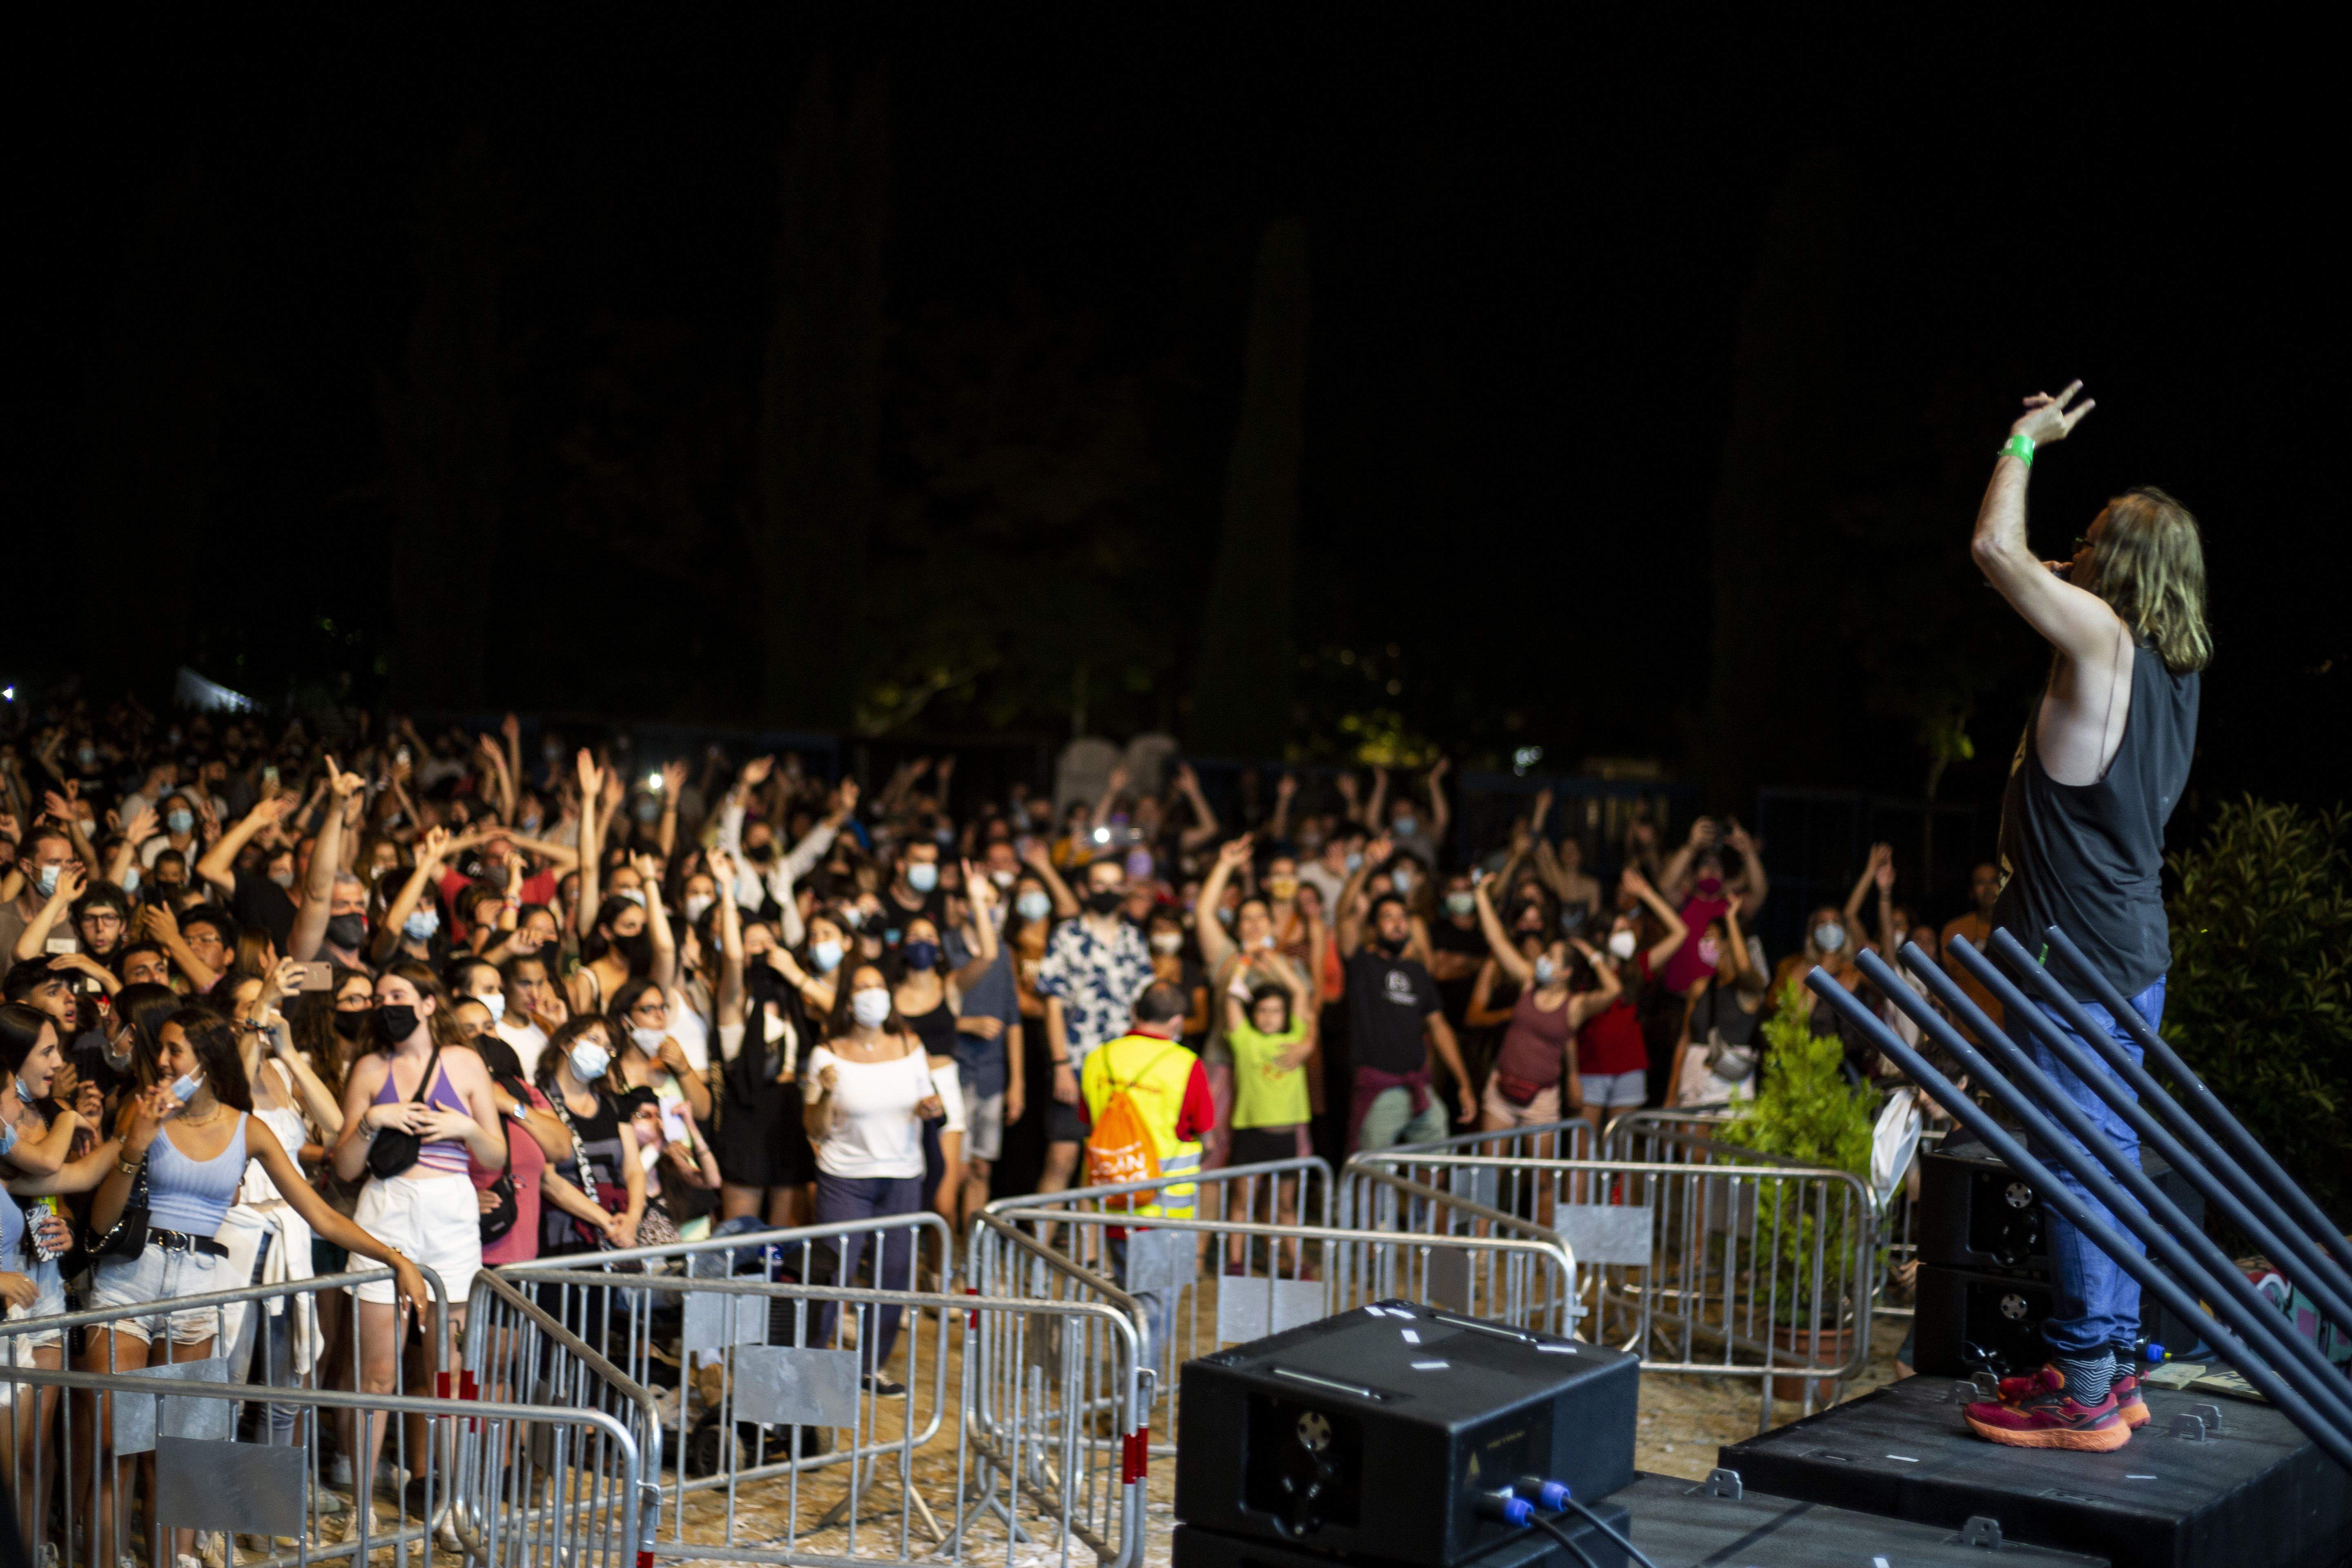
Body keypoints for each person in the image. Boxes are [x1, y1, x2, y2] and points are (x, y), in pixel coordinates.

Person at [1958, 382, 2205, 1453]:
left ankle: (2089, 1387)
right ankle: (2109, 1359)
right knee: (2102, 1147)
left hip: (2075, 958)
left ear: (2117, 570)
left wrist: (2024, 439)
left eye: (2091, 541)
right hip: (2129, 944)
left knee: (2074, 1154)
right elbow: (2038, 568)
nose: (2071, 551)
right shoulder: (2169, 660)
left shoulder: (2103, 641)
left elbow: (1995, 553)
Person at [85, 1009, 426, 1566]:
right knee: (118, 1448)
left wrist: (394, 1257)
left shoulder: (252, 1125)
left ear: (208, 1058)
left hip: (221, 1285)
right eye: (163, 1050)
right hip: (142, 1284)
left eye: (177, 1050)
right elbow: (101, 1223)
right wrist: (134, 1146)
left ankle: (226, 1542)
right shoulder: (145, 1110)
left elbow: (322, 1212)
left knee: (217, 1437)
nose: (164, 1061)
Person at [329, 961, 506, 1501]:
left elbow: (495, 1156)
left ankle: (454, 1505)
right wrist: (371, 1121)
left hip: (452, 1215)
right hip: (386, 1211)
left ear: (429, 1003)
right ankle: (362, 1507)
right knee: (375, 1375)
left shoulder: (464, 1063)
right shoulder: (367, 1069)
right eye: (380, 997)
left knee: (448, 1374)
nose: (387, 1005)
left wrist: (467, 1127)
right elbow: (345, 1168)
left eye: (399, 994)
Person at [801, 965, 944, 1396]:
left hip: (902, 1175)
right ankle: (814, 1369)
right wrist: (825, 1093)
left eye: (879, 984)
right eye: (862, 987)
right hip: (846, 1178)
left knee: (894, 1273)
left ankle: (870, 1368)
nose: (872, 994)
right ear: (848, 1000)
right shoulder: (827, 1053)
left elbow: (926, 1099)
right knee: (832, 1275)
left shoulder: (909, 1044)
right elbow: (813, 1126)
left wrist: (929, 1109)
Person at [1079, 981, 1214, 1368]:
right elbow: (1207, 1133)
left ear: (1136, 1013)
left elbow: (1089, 1119)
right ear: (1176, 1021)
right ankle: (1134, 1408)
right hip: (1162, 1215)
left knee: (1128, 1300)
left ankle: (1129, 1390)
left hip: (1113, 1206)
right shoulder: (1186, 1064)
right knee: (1153, 1311)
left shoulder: (1098, 1058)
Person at [1334, 836, 1475, 1152]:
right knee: (1370, 1176)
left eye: (1403, 918)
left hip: (1420, 1089)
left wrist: (1464, 1083)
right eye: (1388, 918)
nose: (1398, 925)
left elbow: (1439, 1028)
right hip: (1380, 1090)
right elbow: (1344, 915)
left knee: (1435, 1168)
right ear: (1372, 929)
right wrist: (1367, 868)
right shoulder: (1362, 964)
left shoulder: (1418, 972)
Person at [1032, 856, 1154, 1197]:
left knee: (1101, 1167)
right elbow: (1052, 1005)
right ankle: (1037, 1248)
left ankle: (1089, 1253)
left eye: (1116, 884)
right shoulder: (1066, 935)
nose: (1108, 891)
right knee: (1062, 1159)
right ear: (1085, 889)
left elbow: (1140, 1009)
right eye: (1100, 884)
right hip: (1074, 1065)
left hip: (1121, 1072)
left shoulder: (1134, 939)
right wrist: (1060, 1066)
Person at [1469, 875, 1618, 1131]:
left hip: (1541, 1100)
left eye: (1551, 957)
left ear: (1566, 973)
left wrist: (1591, 954)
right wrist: (1481, 895)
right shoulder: (1529, 982)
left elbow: (1613, 990)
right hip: (1500, 1091)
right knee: (1489, 1169)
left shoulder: (1575, 1005)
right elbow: (1498, 941)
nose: (1543, 959)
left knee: (1540, 1173)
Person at [1573, 869, 1687, 1142]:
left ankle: (1616, 1189)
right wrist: (1593, 959)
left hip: (1629, 1069)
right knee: (1584, 1150)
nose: (1628, 935)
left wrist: (1647, 894)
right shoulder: (1583, 974)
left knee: (1621, 1150)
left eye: (1629, 929)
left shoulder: (1638, 967)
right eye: (1620, 930)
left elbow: (1680, 932)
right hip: (1590, 1069)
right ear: (1601, 936)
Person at [1939, 862, 2007, 1039]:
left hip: (2010, 1041)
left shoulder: (2018, 930)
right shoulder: (1955, 931)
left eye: (1994, 881)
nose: (1988, 888)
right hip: (1967, 1040)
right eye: (1980, 883)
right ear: (1971, 891)